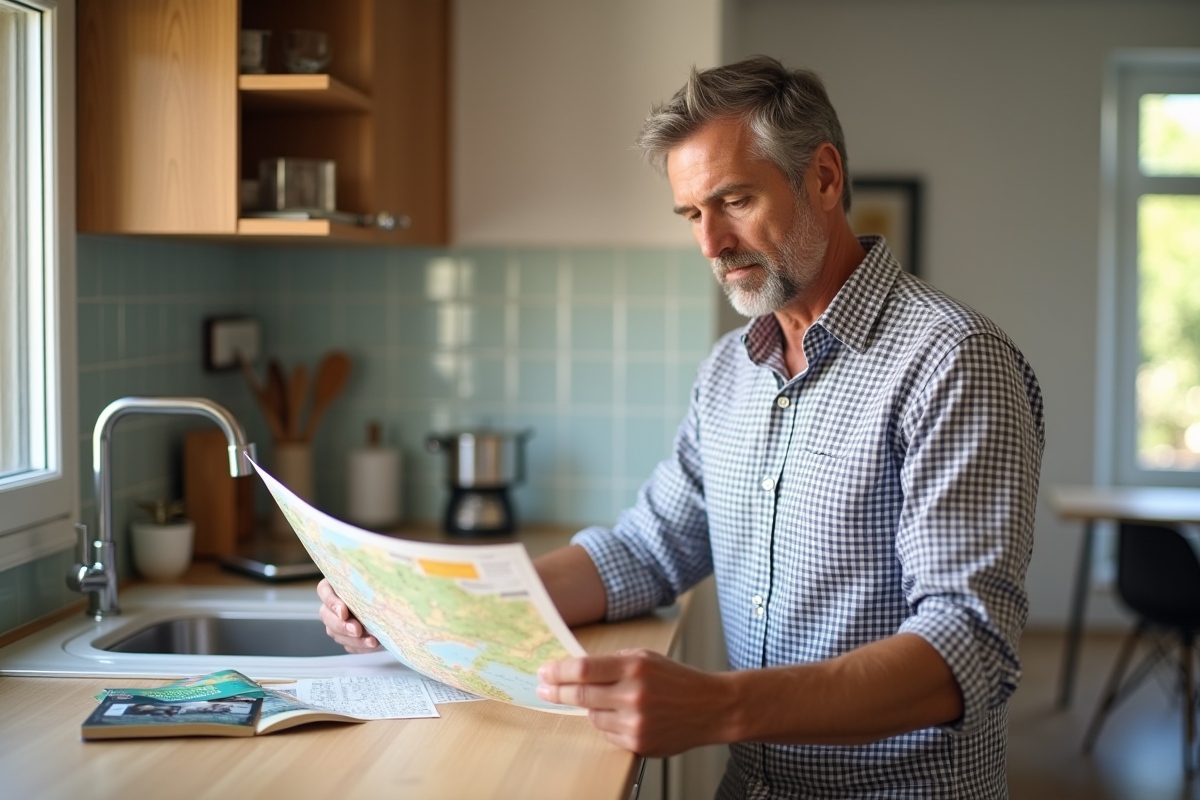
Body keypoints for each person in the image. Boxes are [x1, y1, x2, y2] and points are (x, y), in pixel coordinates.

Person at [318, 55, 1044, 799]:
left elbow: (968, 648)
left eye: (734, 200)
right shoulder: (732, 368)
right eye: (693, 213)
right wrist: (428, 609)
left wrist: (719, 705)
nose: (711, 244)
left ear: (824, 178)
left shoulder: (953, 362)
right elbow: (648, 547)